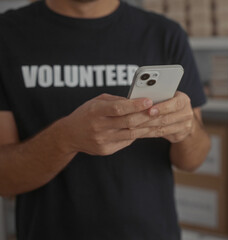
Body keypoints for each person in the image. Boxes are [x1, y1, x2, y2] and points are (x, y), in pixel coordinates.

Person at [0, 0, 211, 239]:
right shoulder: (6, 34)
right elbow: (4, 181)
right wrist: (66, 139)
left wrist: (187, 129)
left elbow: (194, 160)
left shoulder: (164, 34)